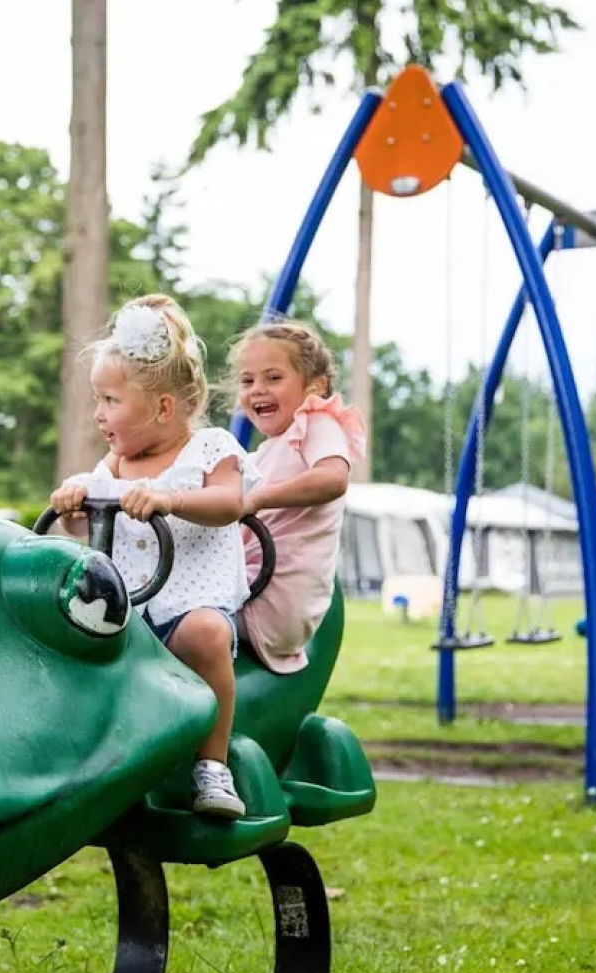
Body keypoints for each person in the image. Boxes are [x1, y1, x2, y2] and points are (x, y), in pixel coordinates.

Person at [50, 294, 250, 819]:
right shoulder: (114, 464)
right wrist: (75, 498)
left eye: (111, 401)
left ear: (163, 407)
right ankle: (73, 754)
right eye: (98, 399)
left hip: (188, 608)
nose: (99, 413)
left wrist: (169, 498)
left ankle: (213, 765)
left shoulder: (211, 449)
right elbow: (81, 527)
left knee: (205, 634)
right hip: (128, 616)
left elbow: (231, 503)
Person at [234, 318, 366, 674]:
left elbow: (333, 478)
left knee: (171, 617)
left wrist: (258, 499)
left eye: (273, 378)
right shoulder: (262, 454)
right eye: (247, 381)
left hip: (272, 600)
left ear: (314, 388)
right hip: (248, 586)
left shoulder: (318, 423)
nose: (257, 389)